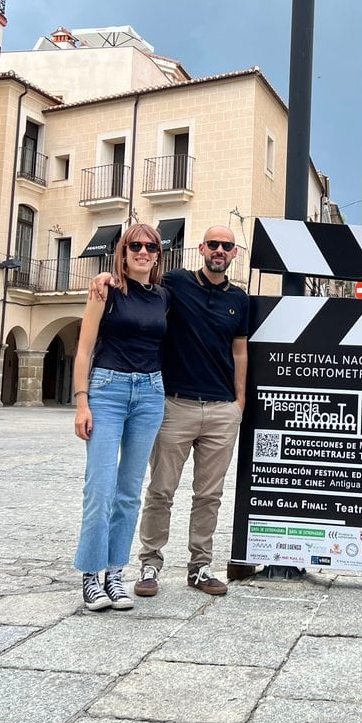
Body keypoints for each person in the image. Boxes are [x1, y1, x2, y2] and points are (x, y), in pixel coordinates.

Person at [92, 225, 248, 598]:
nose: (220, 250)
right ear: (201, 248)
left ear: (234, 253)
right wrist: (106, 276)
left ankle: (200, 566)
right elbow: (139, 279)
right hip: (175, 404)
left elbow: (239, 351)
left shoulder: (240, 300)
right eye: (214, 244)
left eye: (227, 246)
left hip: (222, 408)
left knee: (210, 495)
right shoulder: (175, 284)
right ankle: (149, 563)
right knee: (161, 491)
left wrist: (239, 403)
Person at [72, 223, 168, 611]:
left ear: (158, 254)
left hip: (150, 393)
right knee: (100, 488)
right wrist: (82, 402)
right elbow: (83, 350)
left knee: (129, 492)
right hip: (107, 391)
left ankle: (115, 573)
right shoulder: (105, 291)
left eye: (150, 246)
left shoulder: (164, 297)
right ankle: (91, 576)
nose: (143, 252)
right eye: (135, 246)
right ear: (123, 253)